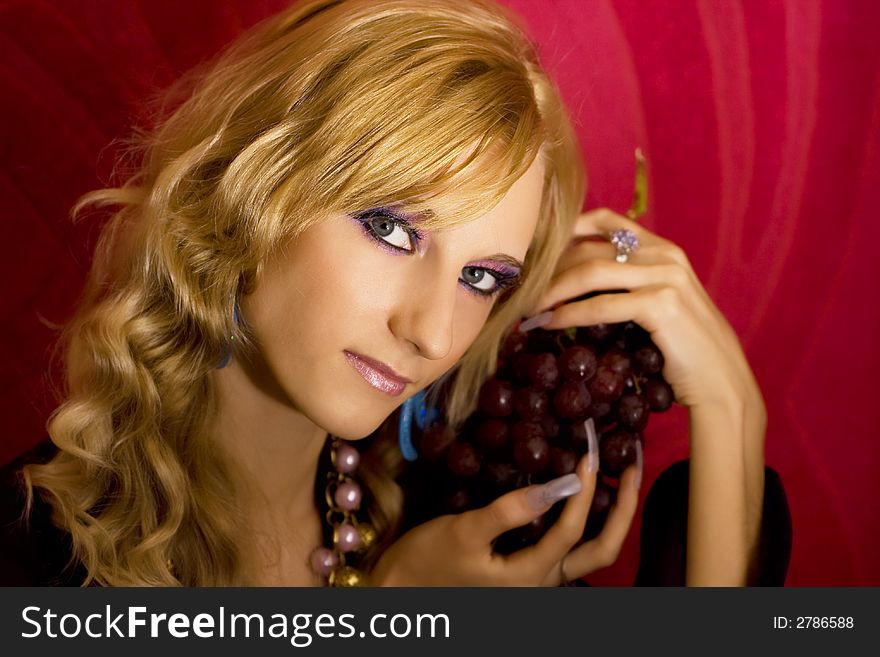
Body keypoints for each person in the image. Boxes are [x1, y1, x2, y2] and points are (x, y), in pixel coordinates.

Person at [0, 0, 790, 587]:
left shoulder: (454, 508)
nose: (433, 333)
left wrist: (731, 409)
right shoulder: (29, 556)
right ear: (256, 185)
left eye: (482, 278)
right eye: (392, 229)